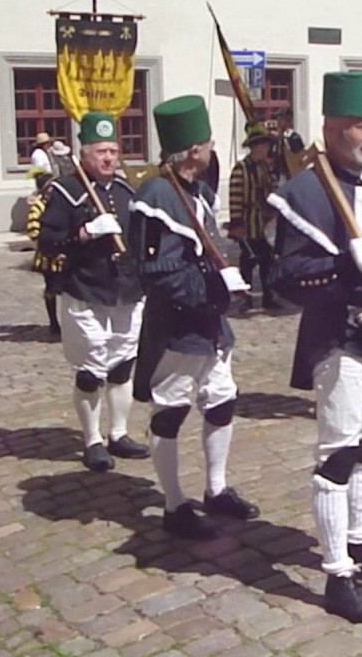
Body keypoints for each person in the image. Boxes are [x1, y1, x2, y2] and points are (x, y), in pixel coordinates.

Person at [270, 71, 362, 623]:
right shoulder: (304, 193)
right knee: (338, 455)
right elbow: (285, 280)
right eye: (361, 125)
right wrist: (340, 264)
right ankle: (337, 574)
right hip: (338, 339)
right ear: (331, 129)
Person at [129, 94, 260, 539]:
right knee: (171, 412)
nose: (210, 152)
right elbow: (155, 272)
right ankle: (173, 505)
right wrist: (209, 289)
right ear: (191, 151)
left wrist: (226, 282)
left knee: (223, 401)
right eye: (205, 144)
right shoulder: (154, 197)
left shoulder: (196, 191)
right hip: (178, 326)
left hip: (210, 322)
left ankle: (216, 489)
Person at [38, 112, 150, 472]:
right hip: (86, 292)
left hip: (125, 291)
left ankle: (118, 433)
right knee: (90, 372)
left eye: (113, 151)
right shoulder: (65, 192)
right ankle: (92, 440)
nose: (108, 159)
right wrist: (85, 233)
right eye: (100, 151)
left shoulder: (125, 191)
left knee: (121, 367)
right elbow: (47, 241)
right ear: (83, 154)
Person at [228, 122, 280, 311]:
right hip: (248, 224)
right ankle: (246, 298)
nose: (266, 148)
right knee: (248, 263)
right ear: (255, 147)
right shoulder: (241, 169)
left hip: (264, 224)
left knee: (267, 262)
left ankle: (268, 296)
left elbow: (273, 189)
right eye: (263, 145)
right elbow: (234, 197)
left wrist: (274, 209)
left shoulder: (266, 168)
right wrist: (237, 225)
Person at [25, 167, 63, 338]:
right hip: (48, 256)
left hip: (64, 255)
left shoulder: (59, 204)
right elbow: (33, 231)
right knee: (51, 289)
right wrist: (50, 242)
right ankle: (53, 322)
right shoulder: (38, 207)